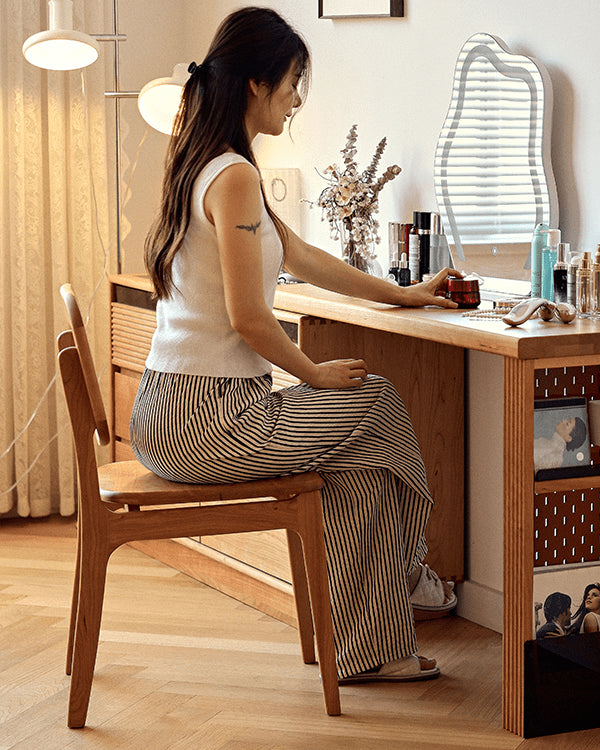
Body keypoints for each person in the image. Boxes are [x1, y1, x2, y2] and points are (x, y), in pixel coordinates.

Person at [129, 7, 461, 685]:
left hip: (169, 410)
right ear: (256, 83)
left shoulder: (208, 161)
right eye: (292, 81)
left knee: (361, 462)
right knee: (375, 397)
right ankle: (413, 568)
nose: (298, 97)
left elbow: (302, 256)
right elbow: (250, 318)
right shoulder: (234, 175)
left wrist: (404, 294)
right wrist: (312, 372)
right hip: (208, 419)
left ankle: (378, 650)